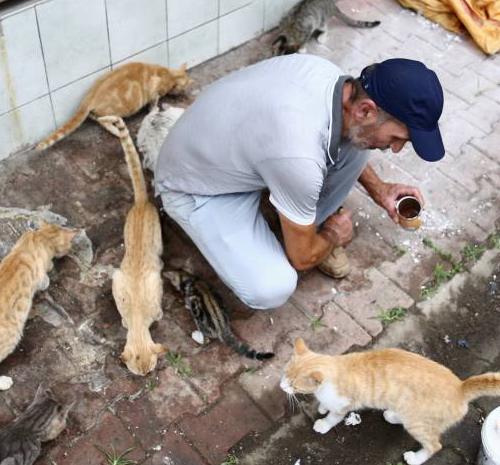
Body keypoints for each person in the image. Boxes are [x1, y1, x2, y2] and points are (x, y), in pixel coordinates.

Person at [154, 55, 445, 310]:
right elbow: (301, 259)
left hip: (230, 144)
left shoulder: (329, 77)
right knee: (271, 287)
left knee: (360, 143)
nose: (395, 148)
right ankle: (306, 226)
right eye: (397, 138)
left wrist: (380, 189)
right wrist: (332, 236)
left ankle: (296, 213)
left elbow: (326, 143)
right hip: (197, 186)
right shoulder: (297, 152)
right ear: (366, 110)